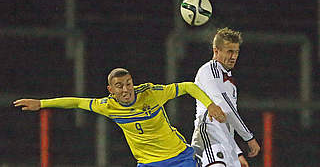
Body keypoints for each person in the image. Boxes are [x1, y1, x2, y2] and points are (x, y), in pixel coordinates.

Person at [13, 67, 226, 167]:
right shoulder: (108, 106)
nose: (126, 89)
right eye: (119, 86)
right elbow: (76, 102)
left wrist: (210, 104)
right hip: (148, 163)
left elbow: (188, 86)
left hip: (180, 157)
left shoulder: (151, 93)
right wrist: (41, 104)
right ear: (110, 89)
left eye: (128, 83)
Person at [191, 27, 261, 167]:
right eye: (229, 51)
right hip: (210, 138)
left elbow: (227, 121)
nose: (234, 56)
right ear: (216, 51)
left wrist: (236, 152)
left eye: (236, 52)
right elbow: (224, 107)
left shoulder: (229, 83)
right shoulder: (210, 70)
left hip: (225, 143)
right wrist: (249, 137)